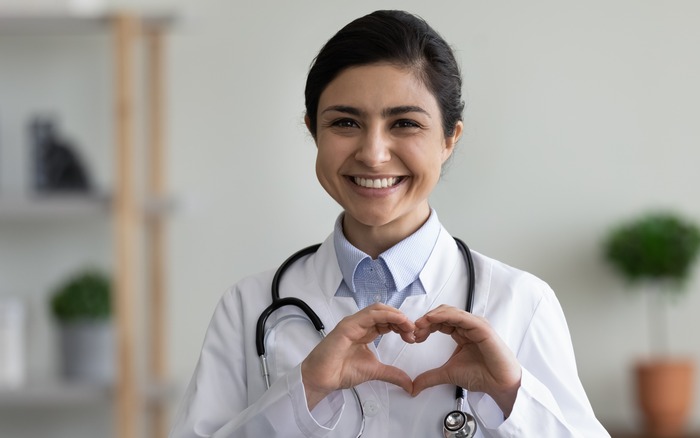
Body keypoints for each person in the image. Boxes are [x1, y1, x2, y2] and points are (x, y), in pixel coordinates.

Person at [170, 10, 609, 438]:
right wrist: (302, 391)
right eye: (345, 122)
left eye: (404, 123)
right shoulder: (248, 308)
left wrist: (513, 396)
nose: (374, 153)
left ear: (449, 139)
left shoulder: (522, 303)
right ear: (313, 131)